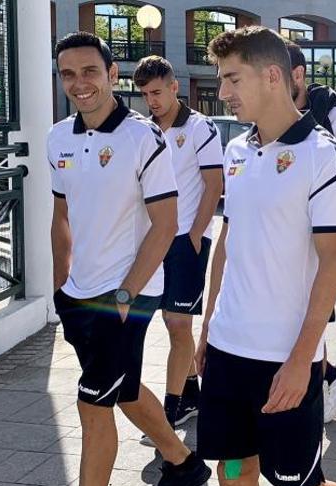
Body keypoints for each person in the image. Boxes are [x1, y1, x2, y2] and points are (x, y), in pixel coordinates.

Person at [50, 32, 210, 486]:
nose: (80, 83)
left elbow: (165, 225)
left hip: (129, 297)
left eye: (90, 71)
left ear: (111, 75)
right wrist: (61, 285)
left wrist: (125, 295)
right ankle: (182, 463)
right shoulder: (57, 138)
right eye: (68, 74)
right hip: (78, 296)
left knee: (91, 405)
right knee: (123, 388)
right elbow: (61, 215)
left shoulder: (144, 137)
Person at [196, 26, 336, 486]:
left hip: (283, 359)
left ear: (270, 77)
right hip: (226, 351)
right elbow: (228, 240)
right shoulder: (236, 150)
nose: (222, 92)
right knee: (234, 474)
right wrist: (207, 329)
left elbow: (332, 263)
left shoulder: (323, 155)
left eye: (232, 79)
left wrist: (303, 360)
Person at [132, 56, 223, 446]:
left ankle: (169, 413)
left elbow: (213, 184)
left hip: (186, 240)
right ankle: (191, 393)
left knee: (177, 324)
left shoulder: (201, 127)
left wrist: (196, 234)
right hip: (153, 241)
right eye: (145, 94)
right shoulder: (143, 131)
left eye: (156, 92)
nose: (151, 100)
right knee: (169, 323)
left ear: (174, 87)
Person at [287, 43, 336, 424]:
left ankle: (324, 380)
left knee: (311, 314)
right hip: (286, 232)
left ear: (297, 74)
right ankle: (329, 374)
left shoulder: (332, 113)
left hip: (322, 231)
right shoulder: (268, 115)